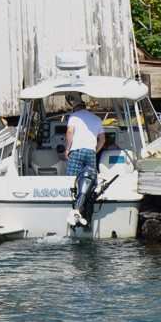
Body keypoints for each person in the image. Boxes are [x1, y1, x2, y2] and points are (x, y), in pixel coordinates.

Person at [62, 94, 107, 229]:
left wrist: (67, 149)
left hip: (77, 152)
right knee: (90, 182)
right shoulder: (96, 119)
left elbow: (70, 133)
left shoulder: (74, 117)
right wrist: (95, 151)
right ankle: (85, 212)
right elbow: (103, 140)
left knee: (72, 180)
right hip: (91, 153)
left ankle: (73, 209)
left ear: (75, 108)